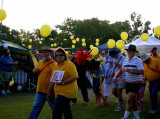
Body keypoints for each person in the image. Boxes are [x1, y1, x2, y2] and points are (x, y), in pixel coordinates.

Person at [48, 47, 79, 119]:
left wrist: (63, 82)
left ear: (65, 56)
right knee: (66, 110)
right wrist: (49, 91)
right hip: (58, 92)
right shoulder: (55, 67)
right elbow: (52, 80)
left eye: (61, 55)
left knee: (56, 109)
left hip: (68, 91)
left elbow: (74, 76)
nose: (59, 57)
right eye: (57, 55)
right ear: (55, 57)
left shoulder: (69, 64)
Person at [115, 44, 144, 119]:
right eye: (128, 51)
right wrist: (115, 77)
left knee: (129, 99)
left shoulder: (138, 60)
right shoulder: (126, 60)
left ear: (134, 52)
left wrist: (131, 70)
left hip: (136, 83)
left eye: (130, 51)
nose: (128, 52)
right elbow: (121, 70)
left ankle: (125, 117)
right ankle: (137, 117)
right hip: (129, 83)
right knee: (133, 101)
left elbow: (141, 71)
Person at [29, 47, 56, 119]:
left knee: (54, 108)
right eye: (43, 52)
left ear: (50, 53)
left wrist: (51, 91)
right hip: (39, 90)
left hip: (49, 91)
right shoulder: (40, 62)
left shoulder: (54, 64)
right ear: (41, 54)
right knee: (36, 108)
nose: (44, 54)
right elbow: (37, 71)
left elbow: (54, 79)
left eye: (46, 52)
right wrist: (34, 71)